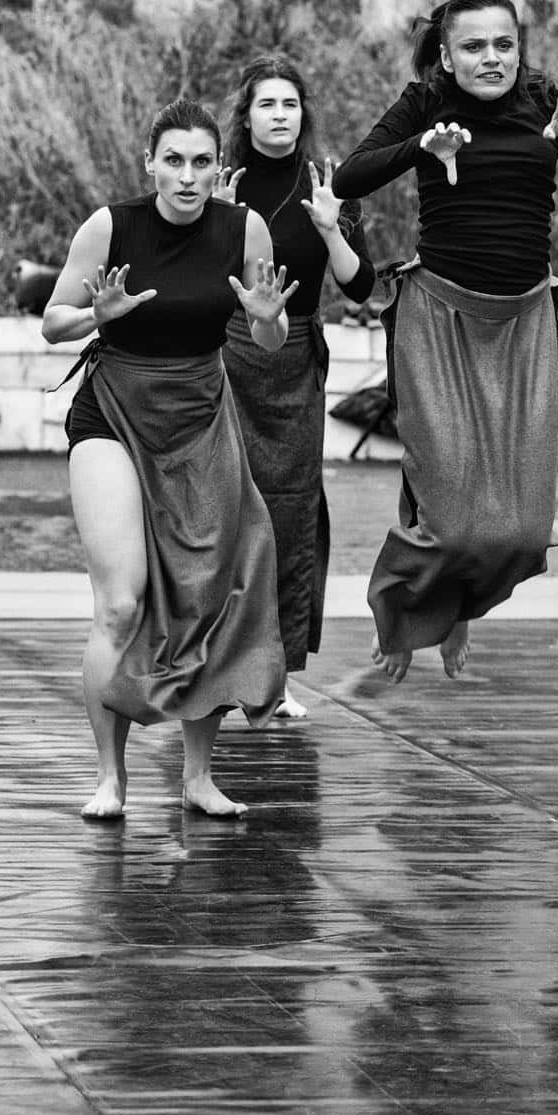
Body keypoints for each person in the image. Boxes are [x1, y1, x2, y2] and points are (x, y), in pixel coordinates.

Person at [333, 0, 558, 681]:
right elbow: (351, 176)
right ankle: (404, 606)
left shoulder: (543, 101)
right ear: (446, 57)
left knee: (527, 527)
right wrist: (421, 146)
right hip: (438, 318)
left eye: (504, 44)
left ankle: (459, 606)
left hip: (524, 321)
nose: (492, 58)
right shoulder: (425, 102)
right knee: (449, 509)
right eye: (473, 47)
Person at [42, 97, 297, 820]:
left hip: (199, 417)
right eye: (174, 160)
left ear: (220, 168)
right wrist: (96, 315)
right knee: (121, 603)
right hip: (114, 412)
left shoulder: (243, 228)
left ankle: (197, 777)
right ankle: (109, 778)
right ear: (149, 163)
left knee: (205, 596)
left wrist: (269, 321)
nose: (188, 176)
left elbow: (270, 337)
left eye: (202, 162)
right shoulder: (110, 226)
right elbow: (52, 324)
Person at [217, 54, 376, 718]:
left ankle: (275, 673)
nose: (280, 115)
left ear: (302, 113)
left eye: (290, 103)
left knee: (289, 511)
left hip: (298, 361)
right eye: (267, 104)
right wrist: (215, 222)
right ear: (246, 116)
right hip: (227, 356)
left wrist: (331, 227)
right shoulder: (220, 182)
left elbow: (361, 286)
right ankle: (212, 666)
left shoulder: (327, 184)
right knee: (223, 508)